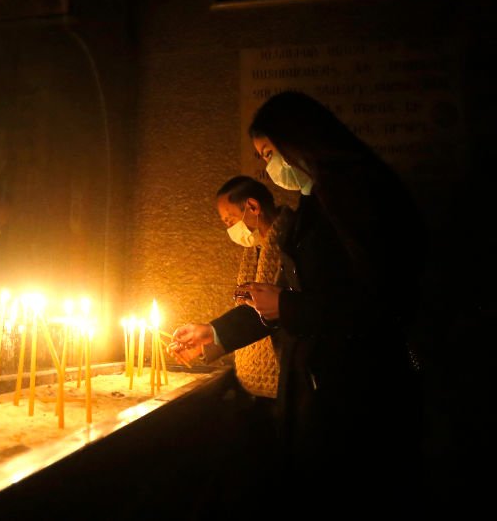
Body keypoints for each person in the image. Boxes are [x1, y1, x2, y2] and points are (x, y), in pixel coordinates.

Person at [240, 91, 424, 512]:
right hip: (320, 389)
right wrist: (216, 333)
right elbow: (300, 292)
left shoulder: (360, 196)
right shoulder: (315, 201)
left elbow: (383, 299)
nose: (268, 170)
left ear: (299, 140)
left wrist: (288, 307)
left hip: (358, 397)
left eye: (269, 153)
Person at [172, 176, 294, 403]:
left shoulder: (293, 244)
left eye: (230, 221)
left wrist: (213, 332)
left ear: (252, 207)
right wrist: (209, 339)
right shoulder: (255, 250)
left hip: (291, 377)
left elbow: (266, 311)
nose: (229, 229)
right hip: (255, 384)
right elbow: (251, 310)